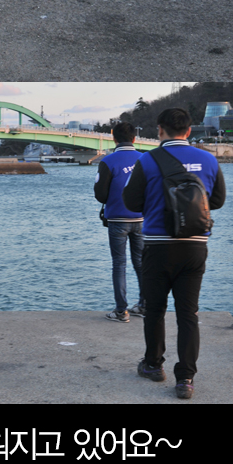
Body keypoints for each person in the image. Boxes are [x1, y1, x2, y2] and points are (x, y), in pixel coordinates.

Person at [121, 106, 226, 399]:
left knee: (155, 310)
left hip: (157, 245)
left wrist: (157, 203)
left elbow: (130, 202)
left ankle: (154, 365)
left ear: (159, 129)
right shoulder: (208, 159)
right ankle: (186, 380)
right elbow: (216, 201)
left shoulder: (148, 160)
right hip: (195, 246)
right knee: (188, 313)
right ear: (189, 131)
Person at [94, 116, 145, 324]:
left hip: (117, 219)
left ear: (114, 139)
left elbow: (100, 195)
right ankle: (144, 305)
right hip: (142, 219)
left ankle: (121, 311)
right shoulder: (146, 159)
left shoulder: (107, 161)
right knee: (142, 262)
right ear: (134, 138)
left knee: (119, 264)